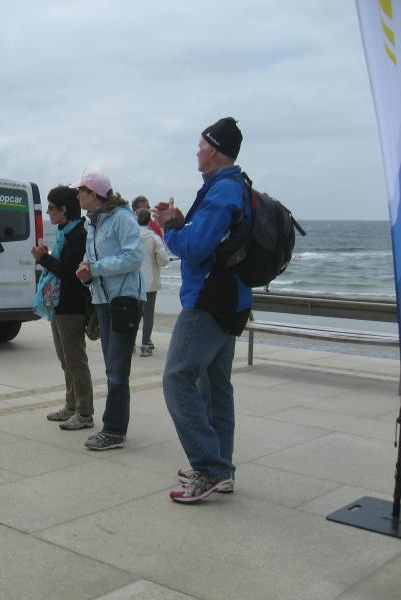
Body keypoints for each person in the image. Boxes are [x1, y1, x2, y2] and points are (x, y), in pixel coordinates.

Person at [153, 117, 252, 503]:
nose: (196, 151)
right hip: (232, 300)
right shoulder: (235, 186)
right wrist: (180, 221)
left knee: (177, 377)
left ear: (213, 149)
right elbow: (212, 238)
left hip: (209, 301)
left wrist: (168, 228)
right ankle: (221, 469)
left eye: (200, 145)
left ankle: (210, 468)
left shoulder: (223, 190)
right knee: (215, 386)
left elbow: (194, 249)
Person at [74, 172, 144, 450]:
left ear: (93, 194)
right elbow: (92, 259)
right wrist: (86, 272)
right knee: (111, 366)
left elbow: (134, 257)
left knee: (117, 370)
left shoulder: (122, 218)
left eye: (80, 191)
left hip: (124, 300)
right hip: (103, 300)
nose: (77, 196)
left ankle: (114, 430)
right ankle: (114, 427)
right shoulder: (93, 222)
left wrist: (96, 268)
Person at [32, 186, 93, 430]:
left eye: (51, 208)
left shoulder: (78, 235)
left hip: (72, 305)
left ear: (64, 209)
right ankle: (71, 406)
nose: (48, 213)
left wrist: (43, 259)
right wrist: (46, 257)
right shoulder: (63, 233)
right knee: (65, 360)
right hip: (59, 304)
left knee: (76, 361)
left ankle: (84, 413)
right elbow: (59, 267)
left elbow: (68, 272)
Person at [135, 208, 170, 357]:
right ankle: (145, 346)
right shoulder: (154, 237)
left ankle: (130, 344)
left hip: (133, 281)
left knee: (134, 313)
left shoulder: (131, 236)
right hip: (150, 282)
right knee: (148, 314)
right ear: (149, 221)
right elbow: (163, 260)